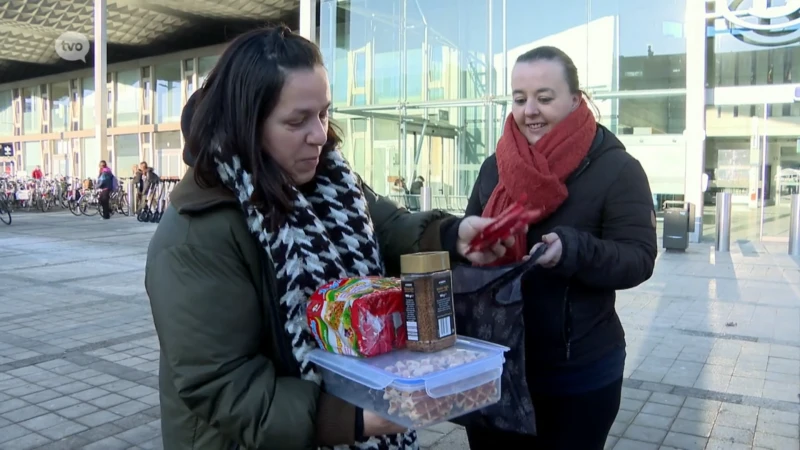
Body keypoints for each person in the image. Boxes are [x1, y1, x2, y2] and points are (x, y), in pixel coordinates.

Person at [145, 26, 517, 450]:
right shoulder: (196, 234)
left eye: (323, 113)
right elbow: (225, 386)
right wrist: (355, 418)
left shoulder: (329, 177)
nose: (320, 134)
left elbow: (384, 225)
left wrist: (452, 235)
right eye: (297, 120)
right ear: (246, 124)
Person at [462, 46, 658, 450]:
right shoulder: (494, 167)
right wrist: (476, 244)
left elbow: (638, 257)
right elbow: (463, 249)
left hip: (577, 373)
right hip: (495, 363)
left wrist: (573, 251)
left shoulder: (618, 169)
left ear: (575, 98)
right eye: (519, 99)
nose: (530, 110)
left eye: (544, 98)